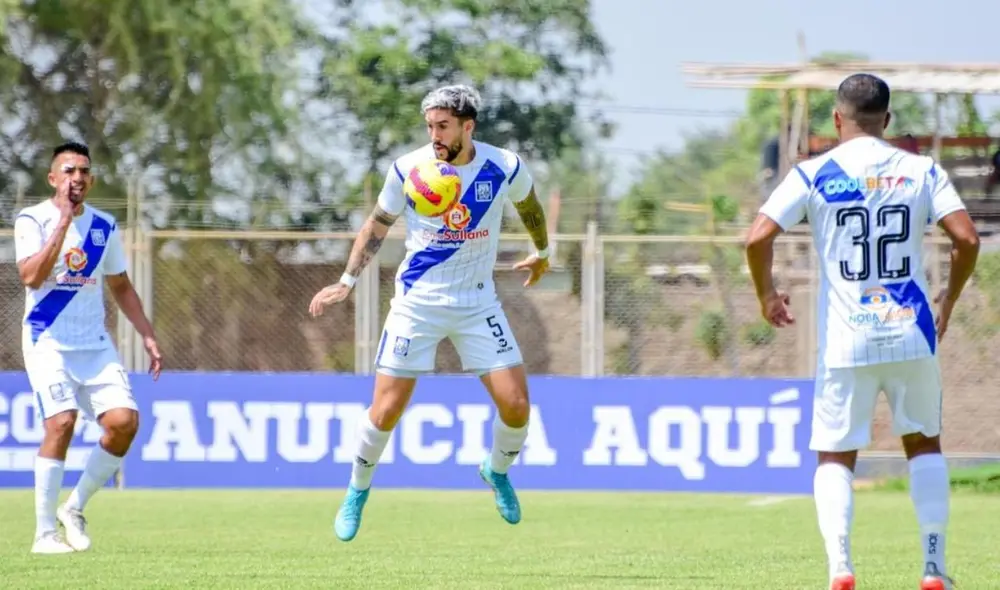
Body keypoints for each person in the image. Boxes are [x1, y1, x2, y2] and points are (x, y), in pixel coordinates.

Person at [745, 74, 980, 590]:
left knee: (835, 456)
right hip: (911, 331)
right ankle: (933, 566)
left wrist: (767, 295)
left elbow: (757, 238)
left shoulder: (814, 174)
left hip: (845, 339)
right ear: (887, 120)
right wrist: (948, 298)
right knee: (924, 446)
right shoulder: (921, 170)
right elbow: (966, 239)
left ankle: (841, 567)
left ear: (837, 119)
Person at [309, 84, 550, 542]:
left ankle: (496, 471)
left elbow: (529, 205)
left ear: (467, 126)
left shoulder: (503, 166)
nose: (434, 135)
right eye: (429, 127)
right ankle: (357, 491)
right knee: (385, 411)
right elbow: (376, 226)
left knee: (517, 407)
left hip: (477, 302)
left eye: (443, 126)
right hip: (417, 303)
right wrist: (346, 281)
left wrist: (543, 251)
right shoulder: (409, 170)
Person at [14, 142, 164, 554]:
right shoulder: (32, 220)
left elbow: (121, 285)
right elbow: (31, 276)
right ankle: (44, 534)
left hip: (94, 344)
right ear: (53, 178)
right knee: (61, 423)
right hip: (46, 339)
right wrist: (63, 222)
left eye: (83, 171)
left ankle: (74, 506)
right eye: (68, 170)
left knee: (124, 422)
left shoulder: (103, 226)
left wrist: (147, 333)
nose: (76, 177)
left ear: (91, 180)